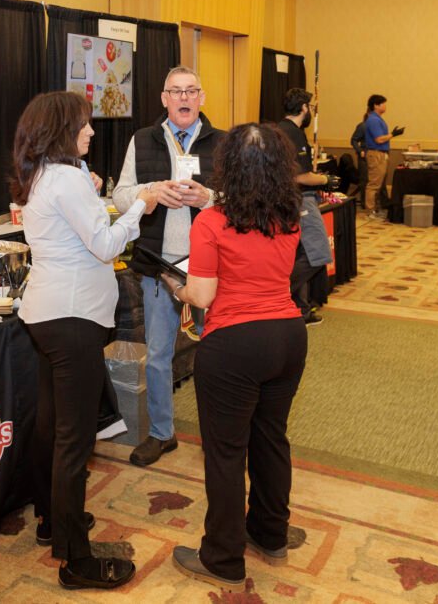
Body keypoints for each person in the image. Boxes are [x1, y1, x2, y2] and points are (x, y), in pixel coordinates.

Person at [12, 91, 158, 590]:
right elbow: (105, 245)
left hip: (46, 314)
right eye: (83, 124)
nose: (92, 131)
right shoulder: (67, 177)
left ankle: (52, 520)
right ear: (61, 130)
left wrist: (91, 191)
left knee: (50, 427)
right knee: (73, 442)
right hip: (73, 318)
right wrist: (140, 207)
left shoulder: (42, 175)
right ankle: (76, 560)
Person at [160, 123, 308, 592]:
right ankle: (270, 533)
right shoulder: (290, 215)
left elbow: (202, 296)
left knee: (225, 453)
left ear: (227, 167)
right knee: (271, 438)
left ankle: (223, 557)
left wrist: (176, 286)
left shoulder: (211, 222)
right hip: (288, 337)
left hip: (235, 344)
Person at [112, 66, 222, 467]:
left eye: (191, 90)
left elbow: (239, 200)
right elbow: (120, 196)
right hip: (159, 266)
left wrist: (209, 198)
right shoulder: (143, 140)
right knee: (158, 355)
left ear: (202, 97)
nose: (184, 98)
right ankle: (162, 433)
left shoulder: (222, 142)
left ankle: (219, 435)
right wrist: (151, 192)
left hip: (209, 267)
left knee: (216, 355)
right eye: (176, 91)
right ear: (164, 99)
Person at [277, 88, 337, 326]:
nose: (311, 111)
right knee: (319, 253)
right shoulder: (293, 134)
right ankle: (277, 293)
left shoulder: (277, 130)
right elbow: (301, 176)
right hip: (300, 199)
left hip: (284, 200)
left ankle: (301, 310)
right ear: (303, 108)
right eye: (311, 107)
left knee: (300, 253)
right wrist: (325, 179)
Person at [363, 94, 405, 218]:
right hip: (376, 154)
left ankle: (375, 209)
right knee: (374, 184)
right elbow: (379, 139)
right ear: (376, 105)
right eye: (383, 104)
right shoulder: (374, 120)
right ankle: (370, 210)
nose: (385, 106)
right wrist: (393, 134)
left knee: (378, 184)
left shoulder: (377, 119)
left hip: (380, 154)